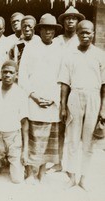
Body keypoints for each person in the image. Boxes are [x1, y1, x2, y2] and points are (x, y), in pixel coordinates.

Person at [58, 20, 105, 191]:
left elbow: (104, 85)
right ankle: (71, 177)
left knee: (88, 142)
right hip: (75, 96)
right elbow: (64, 83)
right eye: (82, 33)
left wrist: (103, 109)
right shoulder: (70, 55)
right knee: (72, 139)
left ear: (93, 33)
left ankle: (84, 177)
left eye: (89, 32)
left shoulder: (100, 55)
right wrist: (63, 106)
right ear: (77, 34)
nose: (85, 36)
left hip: (93, 96)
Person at [18, 14, 62, 184]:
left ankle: (42, 171)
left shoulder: (59, 50)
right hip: (33, 100)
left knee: (48, 139)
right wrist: (34, 96)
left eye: (51, 29)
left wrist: (53, 98)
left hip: (51, 102)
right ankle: (29, 172)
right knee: (33, 137)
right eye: (44, 28)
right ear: (40, 30)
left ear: (55, 31)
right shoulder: (30, 48)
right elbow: (22, 75)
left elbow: (62, 77)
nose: (48, 32)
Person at [49, 6, 85, 173]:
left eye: (74, 18)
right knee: (58, 126)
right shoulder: (56, 41)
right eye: (67, 18)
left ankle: (72, 165)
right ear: (62, 21)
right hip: (56, 86)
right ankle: (58, 161)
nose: (70, 20)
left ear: (78, 21)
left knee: (74, 127)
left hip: (74, 88)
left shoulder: (81, 42)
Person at [0, 60, 28, 184]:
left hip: (13, 137)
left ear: (16, 75)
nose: (7, 75)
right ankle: (1, 160)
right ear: (0, 74)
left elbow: (24, 123)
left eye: (11, 72)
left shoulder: (21, 94)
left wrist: (24, 151)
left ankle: (13, 161)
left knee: (17, 179)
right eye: (5, 72)